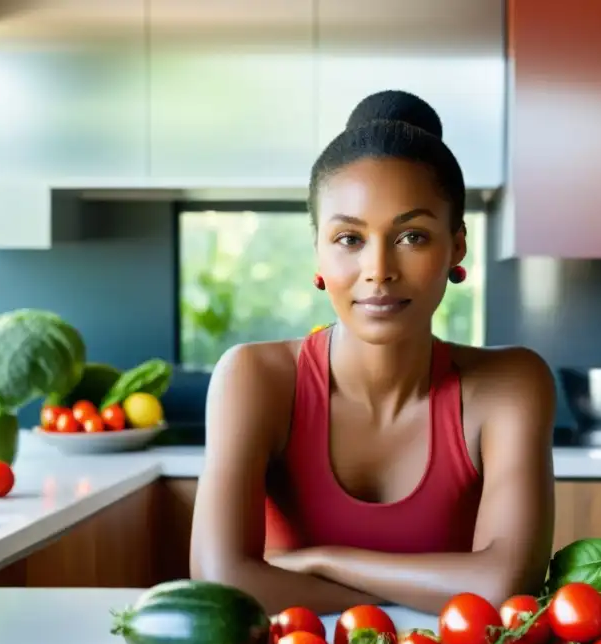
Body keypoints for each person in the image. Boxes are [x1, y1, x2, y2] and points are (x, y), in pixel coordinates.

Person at [189, 90, 557, 616]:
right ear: (318, 249)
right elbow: (222, 585)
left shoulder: (512, 384)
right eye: (349, 238)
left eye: (411, 236)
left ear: (456, 247)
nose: (378, 269)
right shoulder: (255, 377)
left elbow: (503, 586)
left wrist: (320, 561)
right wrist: (433, 589)